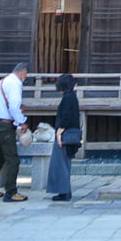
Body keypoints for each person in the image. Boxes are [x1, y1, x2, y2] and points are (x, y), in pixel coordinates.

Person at [0, 62, 29, 202]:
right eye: (25, 75)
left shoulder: (0, 83)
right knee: (13, 159)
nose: (25, 77)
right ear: (22, 72)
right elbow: (14, 106)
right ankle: (11, 192)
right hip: (5, 125)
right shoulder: (15, 84)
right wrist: (21, 121)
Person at [46, 73, 80, 202]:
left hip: (66, 134)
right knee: (65, 163)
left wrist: (59, 133)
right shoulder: (73, 97)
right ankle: (66, 191)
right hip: (72, 132)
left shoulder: (67, 98)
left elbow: (65, 117)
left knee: (60, 164)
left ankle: (63, 192)